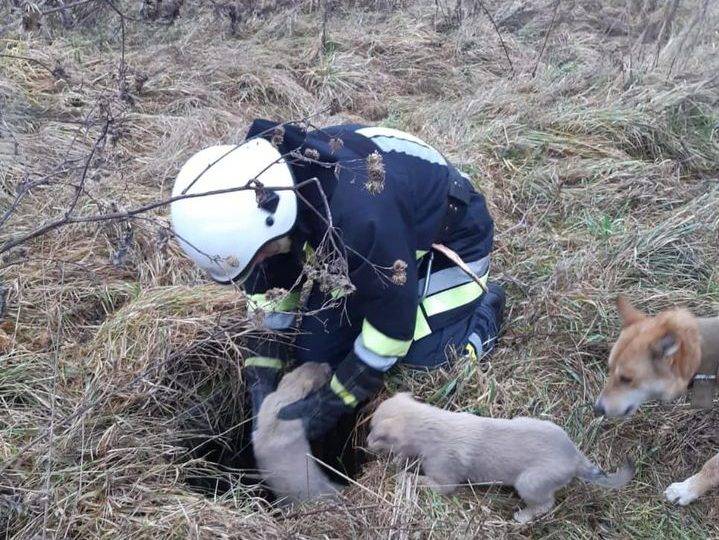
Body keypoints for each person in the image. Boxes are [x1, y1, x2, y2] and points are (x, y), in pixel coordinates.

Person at [170, 119, 505, 442]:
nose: (258, 262)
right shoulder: (269, 194)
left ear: (275, 225)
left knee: (422, 360)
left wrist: (331, 406)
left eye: (258, 256)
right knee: (315, 352)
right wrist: (262, 381)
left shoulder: (361, 219)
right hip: (382, 247)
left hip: (450, 239)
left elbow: (391, 331)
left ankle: (483, 315)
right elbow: (269, 293)